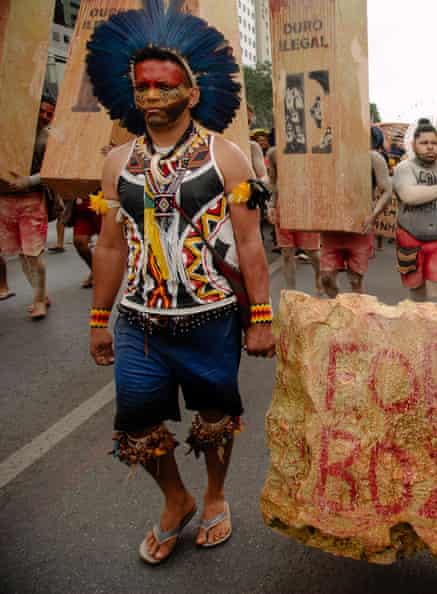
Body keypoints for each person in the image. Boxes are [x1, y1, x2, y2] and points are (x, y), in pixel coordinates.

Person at [85, 1, 275, 564]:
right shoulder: (118, 162)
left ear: (191, 93)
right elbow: (111, 245)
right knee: (136, 423)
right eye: (141, 86)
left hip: (211, 317)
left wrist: (261, 317)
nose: (149, 97)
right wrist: (99, 318)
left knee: (215, 418)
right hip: (140, 322)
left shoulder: (227, 157)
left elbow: (248, 244)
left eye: (163, 86)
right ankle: (177, 499)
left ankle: (215, 495)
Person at [392, 122, 437, 305]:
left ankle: (436, 331)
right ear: (414, 145)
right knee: (416, 291)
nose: (430, 146)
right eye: (424, 142)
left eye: (434, 142)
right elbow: (408, 195)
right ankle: (419, 328)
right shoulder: (404, 168)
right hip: (410, 239)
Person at [319, 127, 393, 297]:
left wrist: (373, 215)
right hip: (332, 228)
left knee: (355, 280)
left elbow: (388, 190)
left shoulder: (373, 158)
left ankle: (358, 316)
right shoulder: (329, 156)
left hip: (359, 227)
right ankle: (340, 309)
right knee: (326, 278)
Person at [0, 95, 55, 319]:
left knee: (32, 254)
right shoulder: (9, 130)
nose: (45, 117)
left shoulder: (49, 137)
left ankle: (39, 299)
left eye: (49, 114)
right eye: (42, 111)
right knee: (23, 256)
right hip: (4, 202)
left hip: (32, 200)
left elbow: (53, 171)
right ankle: (42, 293)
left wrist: (28, 181)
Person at [266, 144, 322, 294]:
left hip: (306, 207)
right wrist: (271, 205)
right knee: (286, 252)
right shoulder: (273, 153)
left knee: (312, 251)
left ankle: (320, 278)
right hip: (283, 207)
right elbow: (273, 181)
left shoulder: (309, 149)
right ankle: (291, 293)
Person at [70, 194, 103, 288]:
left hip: (103, 202)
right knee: (79, 241)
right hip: (82, 204)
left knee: (107, 245)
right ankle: (96, 272)